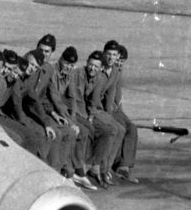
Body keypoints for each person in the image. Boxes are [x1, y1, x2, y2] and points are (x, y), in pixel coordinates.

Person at [45, 47, 95, 188]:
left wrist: (73, 120)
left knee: (83, 131)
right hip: (51, 109)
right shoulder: (53, 72)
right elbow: (55, 99)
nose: (69, 67)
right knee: (70, 132)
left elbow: (72, 99)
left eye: (72, 65)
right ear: (60, 59)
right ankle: (67, 171)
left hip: (61, 111)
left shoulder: (70, 74)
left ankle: (78, 170)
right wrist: (70, 123)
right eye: (66, 63)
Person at [81, 50, 122, 187]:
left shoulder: (102, 77)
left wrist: (107, 114)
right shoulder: (82, 74)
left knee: (119, 129)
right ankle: (97, 167)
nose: (94, 69)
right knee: (110, 129)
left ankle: (105, 168)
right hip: (88, 111)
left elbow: (102, 98)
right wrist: (92, 116)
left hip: (95, 110)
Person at [112, 44, 139, 182]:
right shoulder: (109, 71)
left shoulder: (118, 73)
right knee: (122, 126)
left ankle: (124, 167)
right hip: (106, 110)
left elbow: (118, 99)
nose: (120, 64)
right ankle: (117, 163)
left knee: (132, 128)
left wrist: (122, 114)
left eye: (122, 62)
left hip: (116, 110)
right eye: (118, 60)